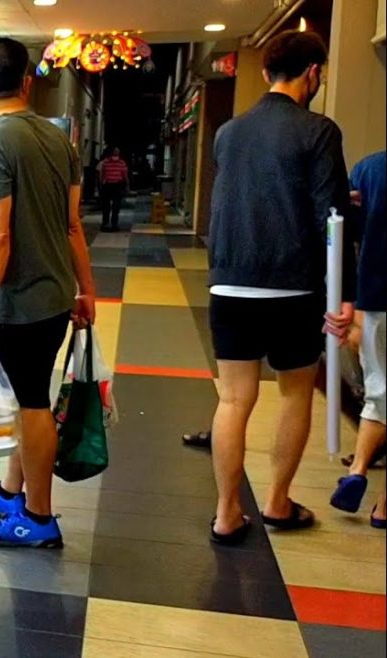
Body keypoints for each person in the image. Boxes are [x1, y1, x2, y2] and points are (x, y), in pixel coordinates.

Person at [205, 31, 357, 545]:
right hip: (295, 288)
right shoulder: (318, 131)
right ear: (313, 72)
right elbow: (331, 220)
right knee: (294, 396)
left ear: (268, 72)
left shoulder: (228, 132)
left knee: (233, 401)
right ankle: (275, 503)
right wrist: (345, 296)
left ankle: (226, 514)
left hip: (230, 285)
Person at [0, 37, 97, 548]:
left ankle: (38, 519)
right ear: (26, 82)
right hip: (55, 294)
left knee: (31, 403)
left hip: (21, 301)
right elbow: (71, 226)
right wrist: (86, 289)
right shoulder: (57, 139)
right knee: (27, 395)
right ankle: (10, 489)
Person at [330, 150, 386, 529]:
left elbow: (342, 227)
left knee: (379, 391)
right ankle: (384, 507)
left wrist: (348, 300)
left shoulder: (369, 169)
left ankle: (360, 468)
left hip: (377, 293)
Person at [97, 147, 130, 232]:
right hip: (109, 185)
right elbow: (102, 175)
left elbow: (124, 175)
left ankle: (112, 223)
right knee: (107, 206)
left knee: (115, 206)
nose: (116, 154)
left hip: (116, 186)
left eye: (117, 152)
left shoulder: (120, 163)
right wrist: (101, 184)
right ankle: (107, 223)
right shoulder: (107, 162)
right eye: (115, 152)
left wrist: (126, 185)